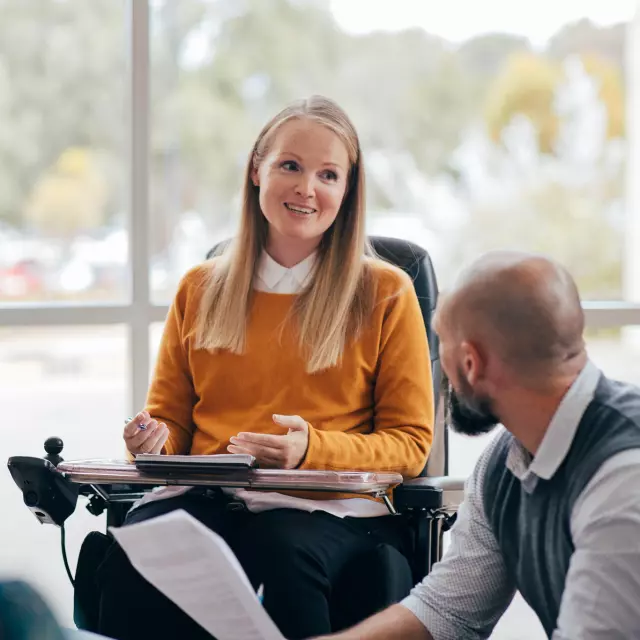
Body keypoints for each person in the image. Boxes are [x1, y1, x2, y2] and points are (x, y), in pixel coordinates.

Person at [95, 95, 434, 640]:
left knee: (281, 552)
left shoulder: (386, 291)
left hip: (332, 511)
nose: (307, 188)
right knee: (139, 548)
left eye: (329, 174)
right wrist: (153, 441)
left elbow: (411, 443)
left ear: (347, 191)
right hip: (213, 498)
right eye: (290, 166)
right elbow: (173, 423)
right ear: (257, 169)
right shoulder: (200, 287)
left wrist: (311, 450)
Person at [316, 250, 640, 640]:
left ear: (470, 362)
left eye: (442, 343)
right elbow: (447, 611)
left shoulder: (624, 478)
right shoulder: (507, 459)